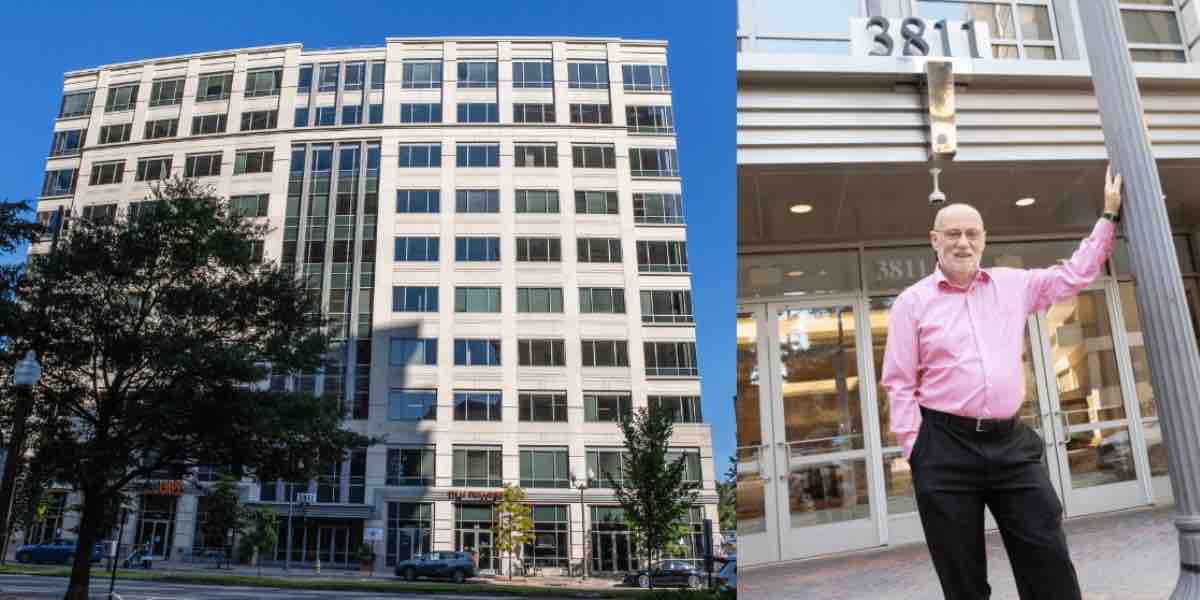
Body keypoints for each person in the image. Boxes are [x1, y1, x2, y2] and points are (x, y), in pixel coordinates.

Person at [880, 166, 1124, 600]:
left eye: (972, 233)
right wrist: (915, 447)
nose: (963, 242)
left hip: (1010, 444)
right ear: (934, 240)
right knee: (962, 576)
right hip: (943, 447)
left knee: (1047, 556)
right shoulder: (911, 303)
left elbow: (1073, 276)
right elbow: (898, 383)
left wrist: (1107, 217)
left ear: (984, 238)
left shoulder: (1013, 286)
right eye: (952, 233)